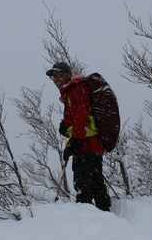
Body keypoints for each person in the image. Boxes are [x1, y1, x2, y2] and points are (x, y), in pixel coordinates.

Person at [46, 61, 111, 211]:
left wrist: (75, 141)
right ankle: (106, 214)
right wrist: (66, 127)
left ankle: (87, 220)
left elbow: (80, 116)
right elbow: (78, 116)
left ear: (69, 74)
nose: (55, 78)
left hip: (85, 145)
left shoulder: (75, 89)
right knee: (96, 182)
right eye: (53, 76)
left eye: (58, 74)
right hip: (93, 145)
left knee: (83, 186)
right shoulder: (74, 90)